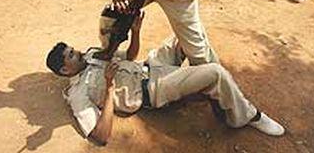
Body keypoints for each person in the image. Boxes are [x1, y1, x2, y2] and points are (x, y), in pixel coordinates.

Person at [45, 14, 285, 145]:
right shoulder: (77, 95)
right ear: (66, 71)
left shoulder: (91, 56)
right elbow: (100, 136)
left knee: (190, 30)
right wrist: (109, 88)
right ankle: (245, 114)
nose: (78, 53)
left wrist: (136, 32)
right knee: (216, 73)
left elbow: (130, 55)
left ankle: (218, 91)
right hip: (153, 90)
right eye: (71, 55)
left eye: (73, 50)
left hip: (151, 66)